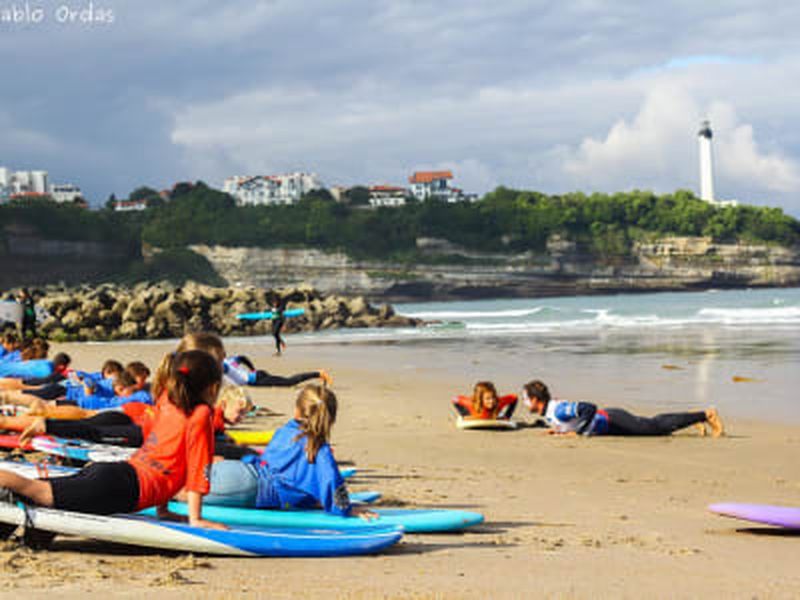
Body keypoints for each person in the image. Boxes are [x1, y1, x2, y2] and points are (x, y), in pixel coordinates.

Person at [0, 349, 225, 530]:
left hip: (119, 475)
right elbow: (198, 467)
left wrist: (163, 510)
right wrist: (196, 519)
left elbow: (163, 459)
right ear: (213, 387)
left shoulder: (168, 402)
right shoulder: (201, 415)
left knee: (40, 491)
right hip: (122, 489)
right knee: (38, 491)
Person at [198, 384, 374, 519]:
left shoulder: (284, 432)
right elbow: (331, 484)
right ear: (330, 419)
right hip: (248, 488)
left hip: (239, 472)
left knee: (179, 485)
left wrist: (313, 501)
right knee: (182, 493)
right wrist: (346, 509)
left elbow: (275, 468)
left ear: (297, 410)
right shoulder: (320, 449)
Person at [522, 379, 725, 437]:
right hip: (608, 426)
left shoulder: (557, 410)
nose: (524, 403)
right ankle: (692, 419)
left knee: (655, 427)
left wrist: (579, 433)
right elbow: (570, 422)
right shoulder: (550, 413)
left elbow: (589, 408)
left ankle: (706, 414)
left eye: (525, 399)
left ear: (534, 399)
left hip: (612, 419)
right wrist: (559, 430)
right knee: (655, 426)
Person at [223, 354, 332, 388]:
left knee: (289, 382)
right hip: (257, 374)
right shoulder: (228, 360)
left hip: (257, 380)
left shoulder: (223, 365)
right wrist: (252, 369)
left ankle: (318, 373)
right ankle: (318, 374)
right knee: (287, 381)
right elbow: (242, 358)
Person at [452, 381, 518, 420]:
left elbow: (514, 397)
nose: (492, 401)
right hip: (474, 413)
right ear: (480, 400)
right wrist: (464, 414)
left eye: (493, 397)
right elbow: (454, 399)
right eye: (488, 399)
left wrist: (507, 416)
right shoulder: (471, 404)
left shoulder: (498, 403)